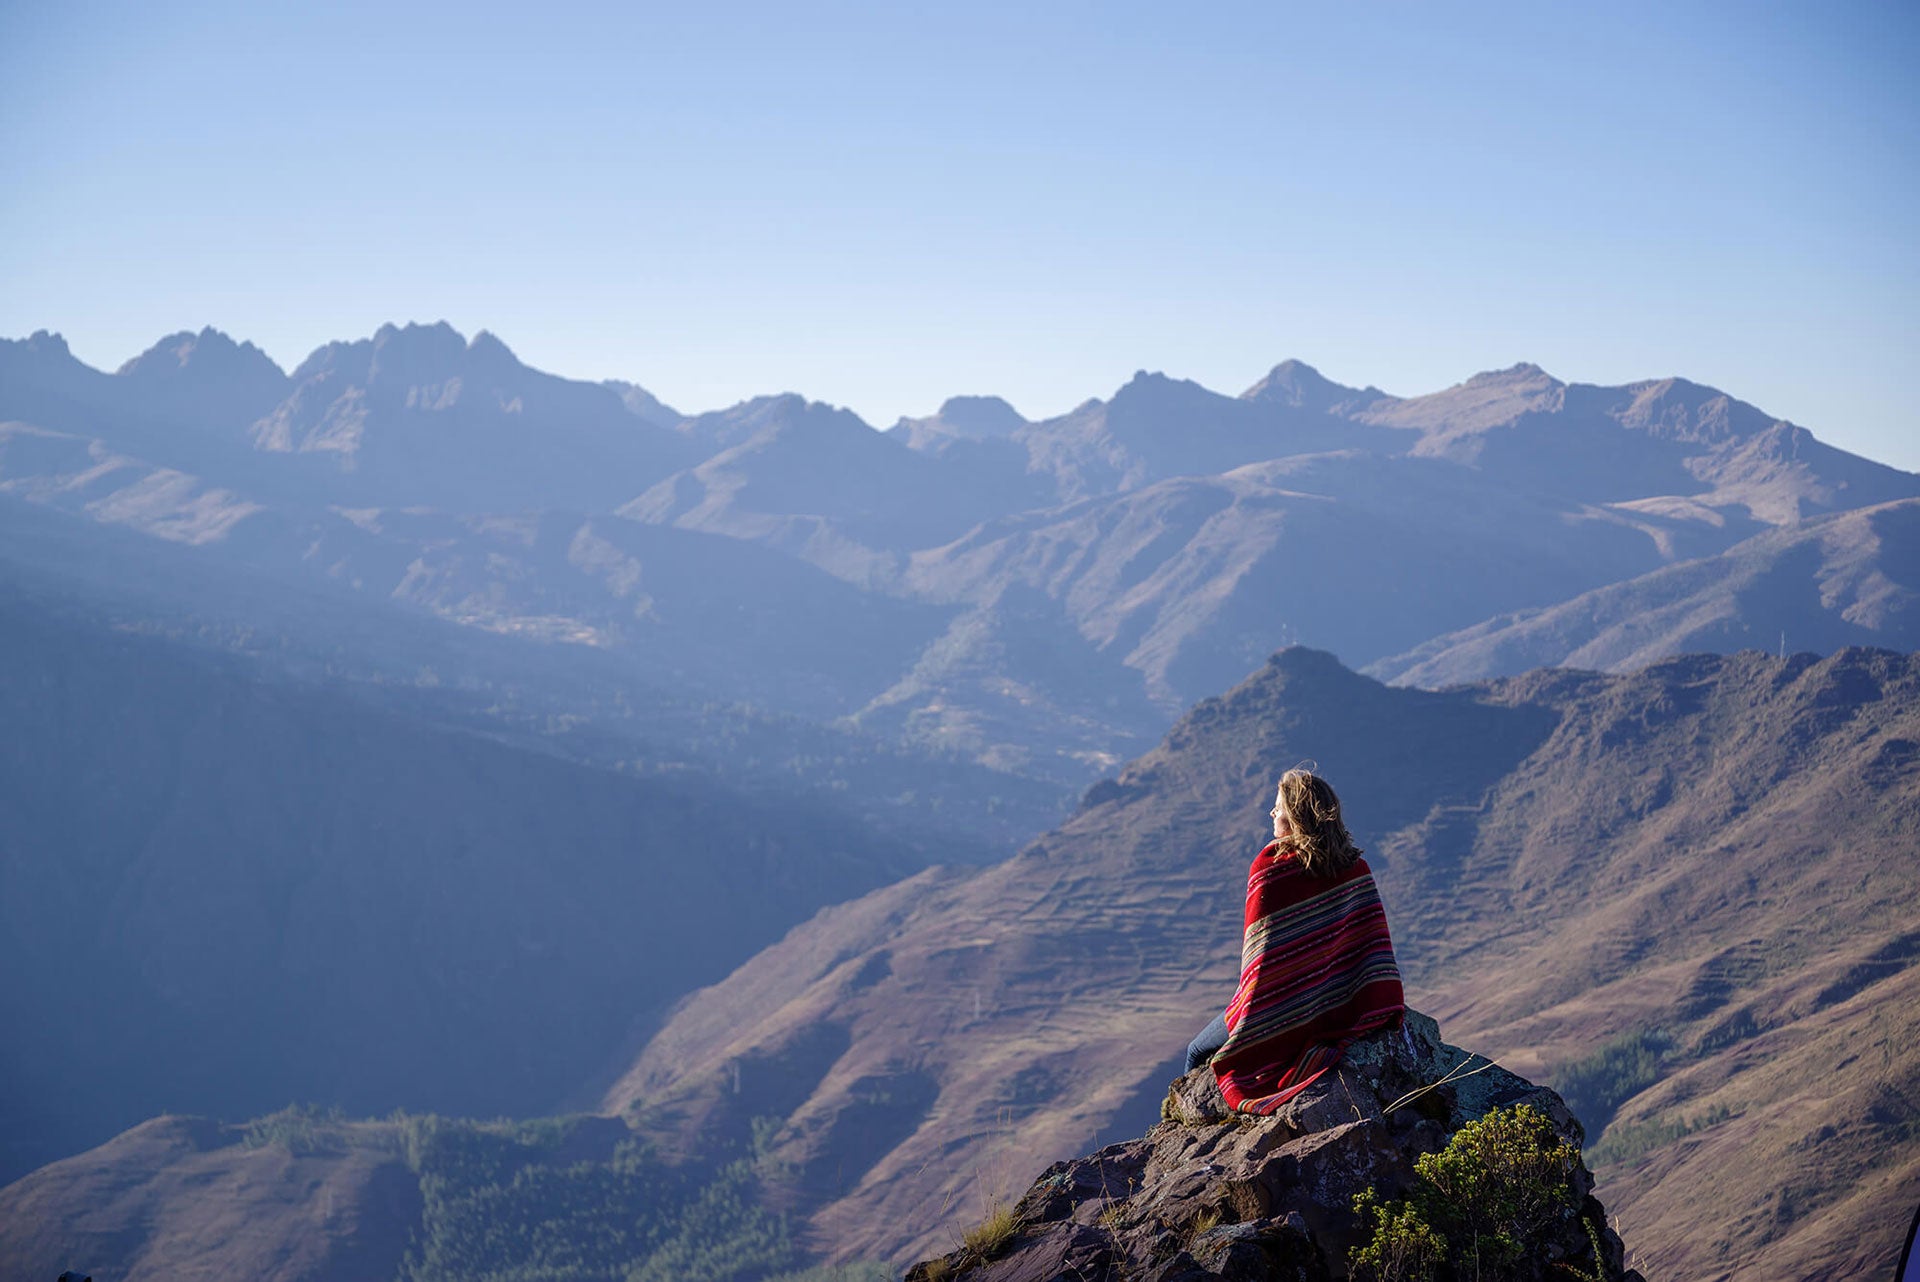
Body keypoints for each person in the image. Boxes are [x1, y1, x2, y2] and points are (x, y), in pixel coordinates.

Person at [1184, 768, 1404, 1113]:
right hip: (1339, 1007)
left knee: (1197, 1051)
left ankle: (1189, 1123)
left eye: (1278, 807)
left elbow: (1260, 967)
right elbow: (1370, 950)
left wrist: (1269, 1011)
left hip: (1273, 1009)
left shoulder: (1270, 869)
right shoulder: (1356, 868)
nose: (1272, 813)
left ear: (1298, 815)